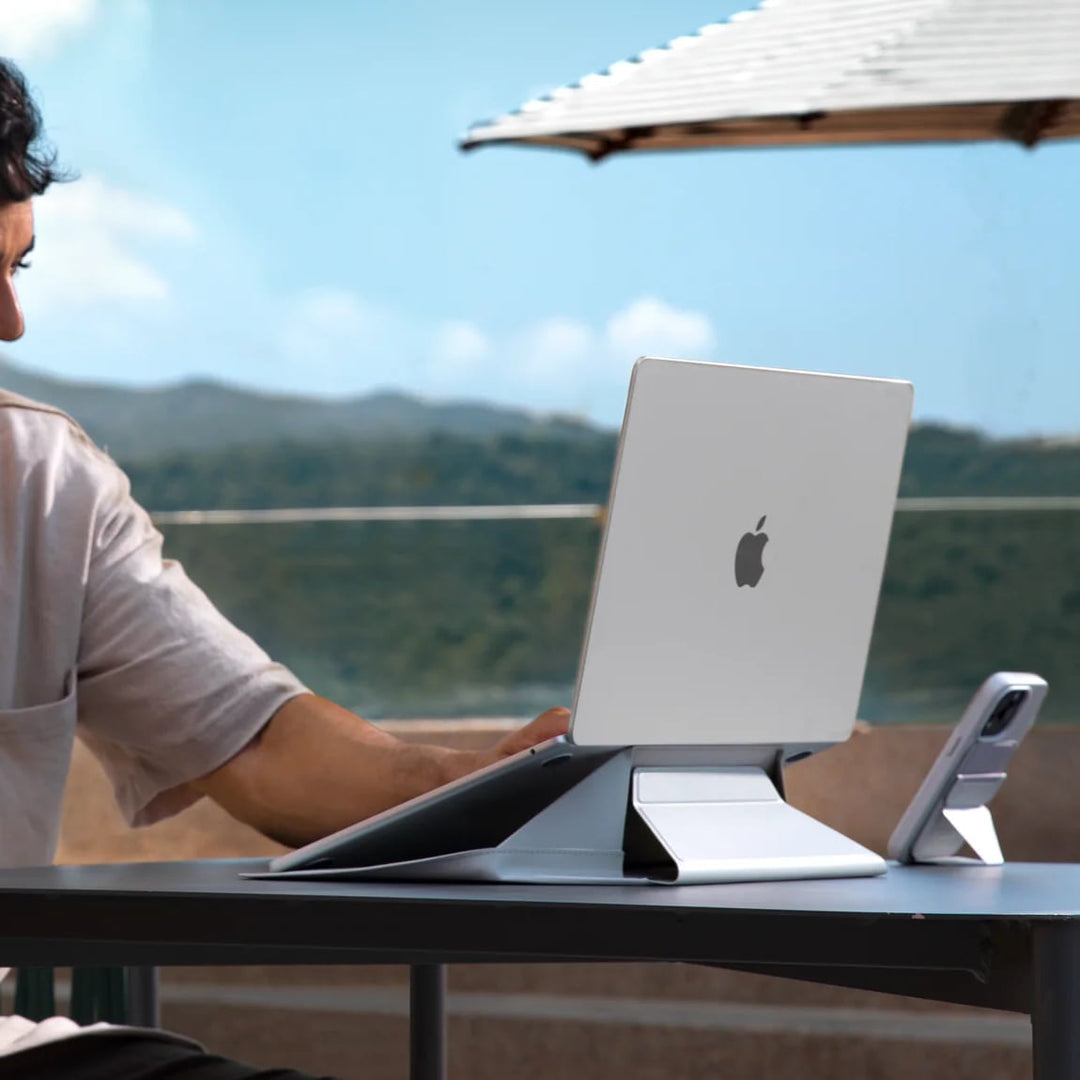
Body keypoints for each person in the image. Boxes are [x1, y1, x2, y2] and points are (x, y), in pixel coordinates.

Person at [0, 57, 568, 1079]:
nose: (12, 323)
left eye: (17, 270)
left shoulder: (42, 486)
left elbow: (255, 742)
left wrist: (483, 785)